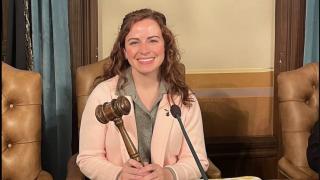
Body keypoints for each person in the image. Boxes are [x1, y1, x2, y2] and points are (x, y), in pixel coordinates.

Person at [76, 8, 209, 180]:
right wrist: (118, 175)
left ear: (165, 46)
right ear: (124, 50)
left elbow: (196, 159)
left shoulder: (184, 98)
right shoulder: (103, 94)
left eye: (153, 40)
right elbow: (88, 158)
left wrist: (170, 174)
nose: (144, 50)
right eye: (134, 42)